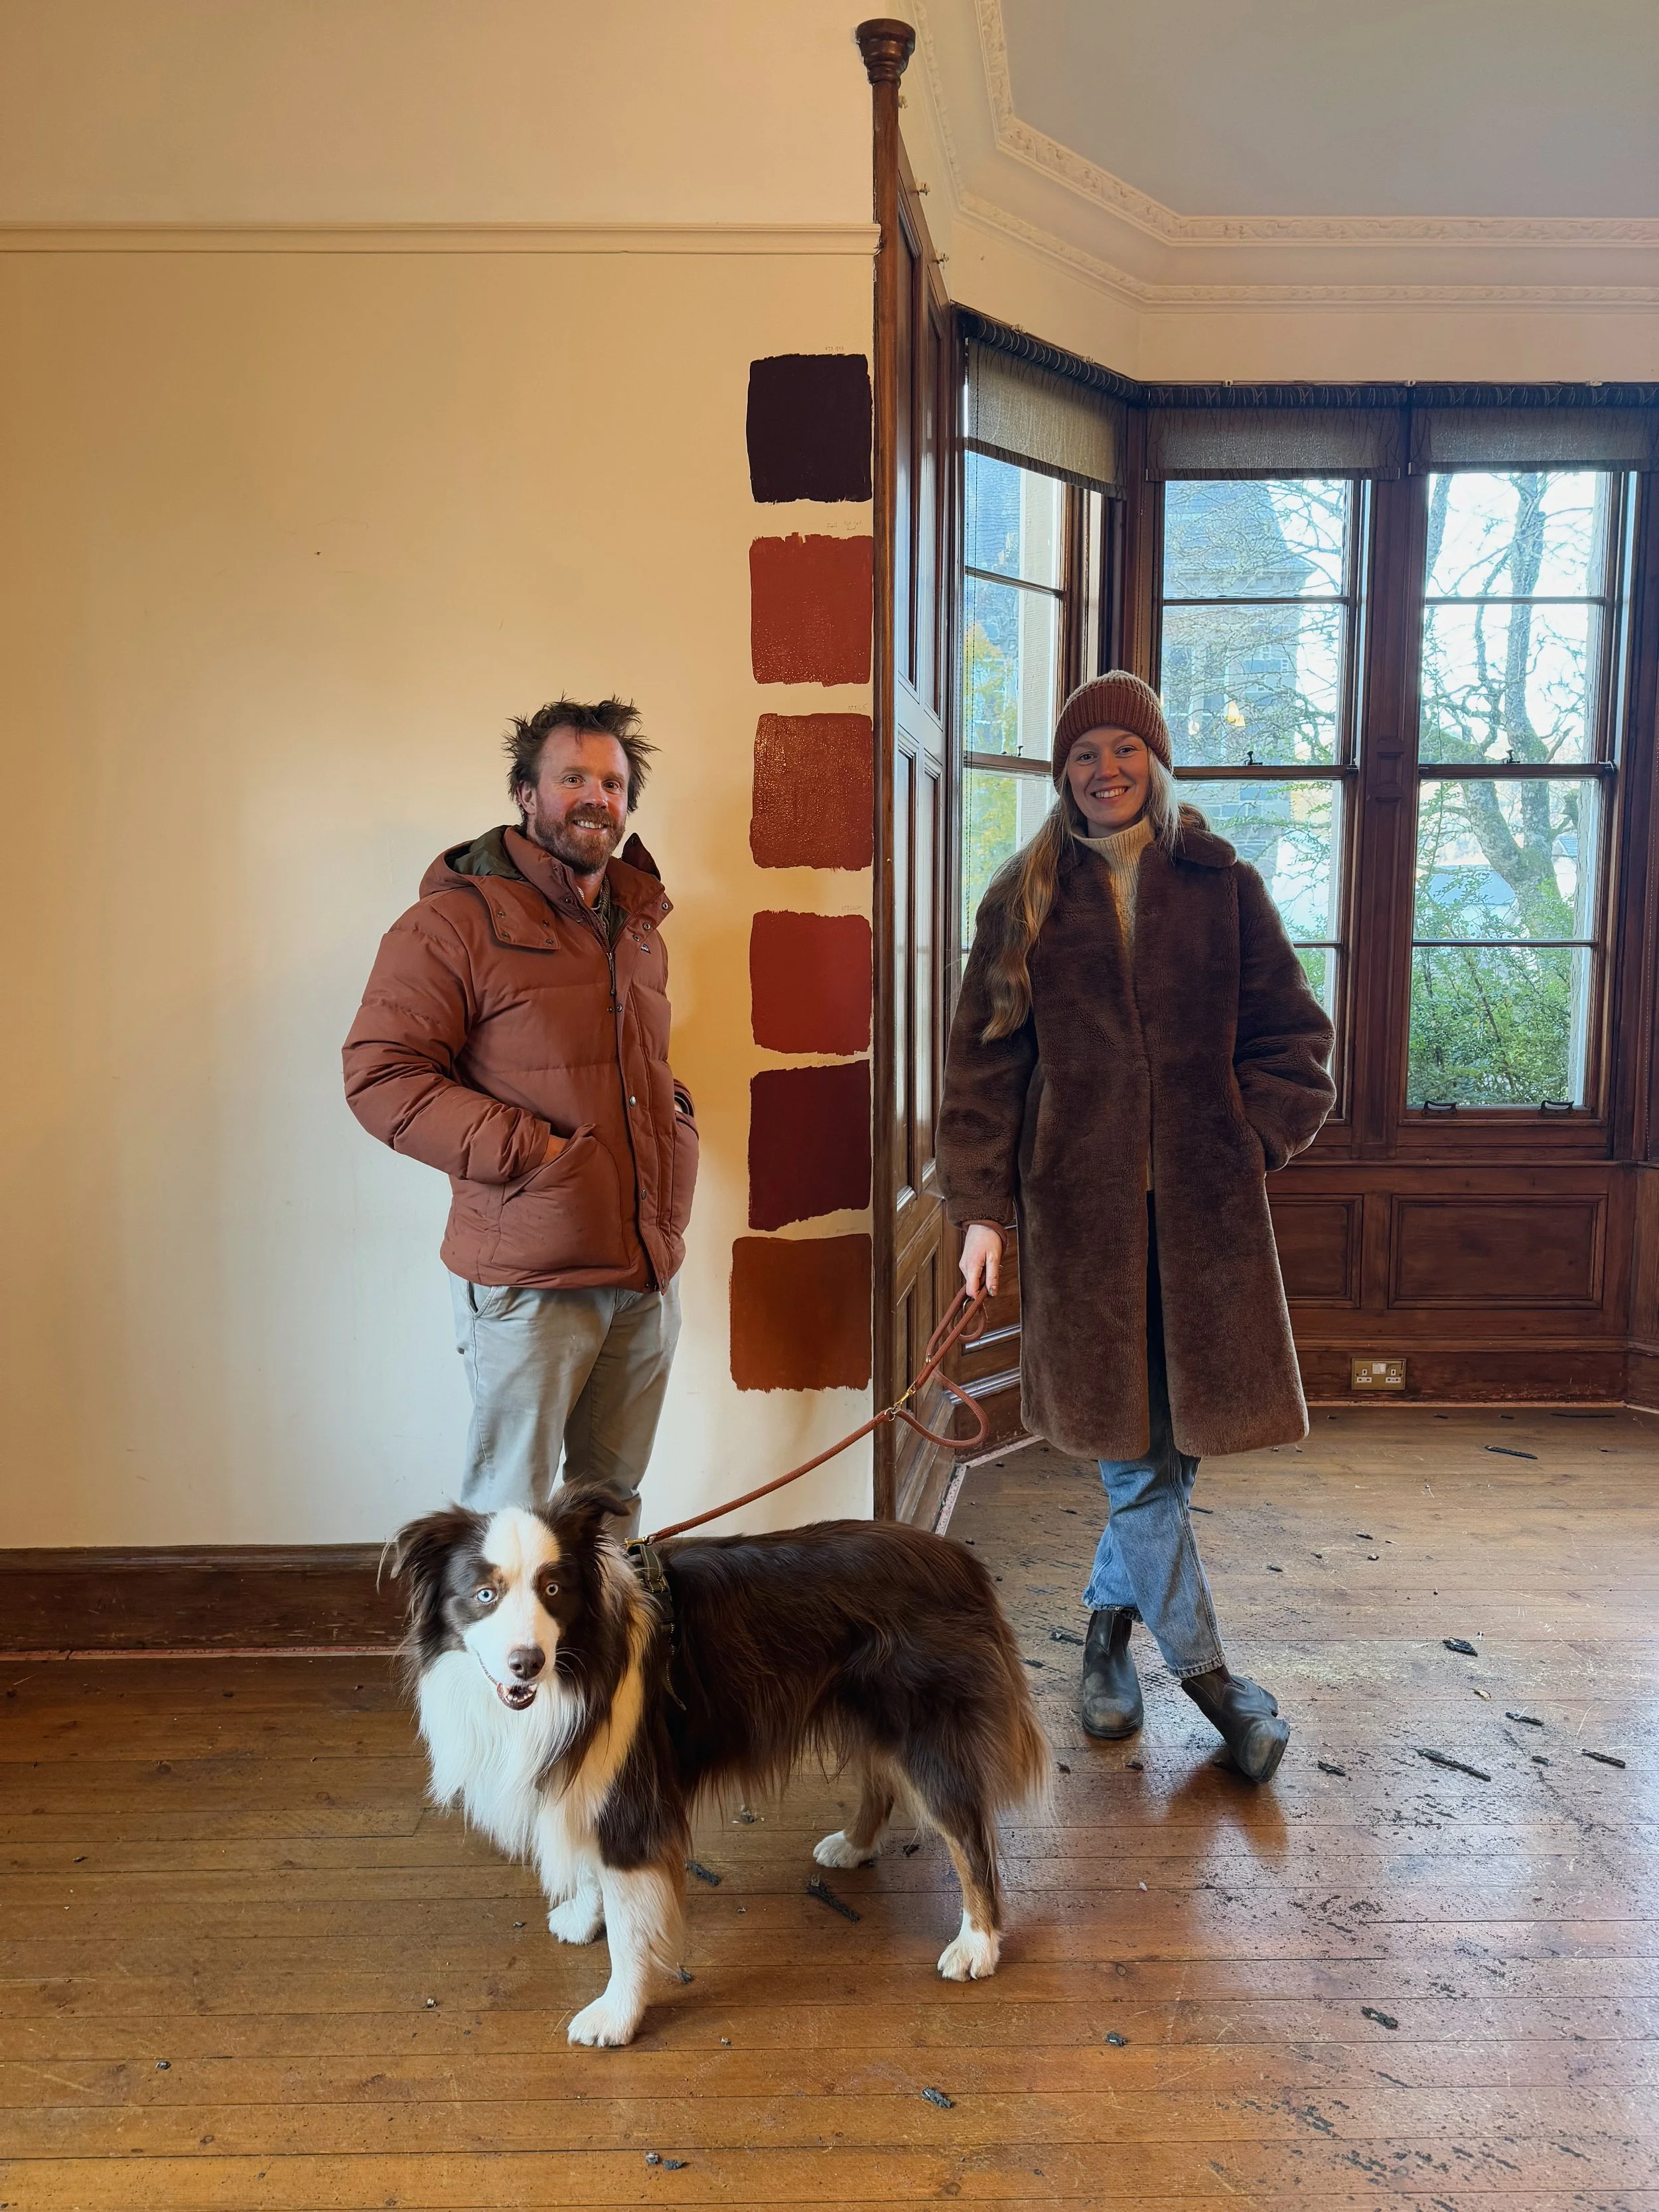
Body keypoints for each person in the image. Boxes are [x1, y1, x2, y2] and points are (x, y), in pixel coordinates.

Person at [936, 672, 1334, 1783]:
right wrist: (980, 1208)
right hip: (1080, 1227)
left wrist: (1249, 1137)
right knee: (1132, 1458)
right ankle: (1219, 1685)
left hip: (1209, 1225)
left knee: (1176, 1440)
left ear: (1155, 763)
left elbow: (1295, 1038)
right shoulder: (1022, 896)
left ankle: (1106, 1634)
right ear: (1062, 774)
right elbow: (981, 1071)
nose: (1104, 770)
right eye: (1082, 755)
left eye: (1124, 750)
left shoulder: (1224, 886)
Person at [343, 698, 696, 1539]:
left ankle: (599, 1668)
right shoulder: (451, 923)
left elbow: (631, 1066)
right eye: (572, 776)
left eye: (612, 783)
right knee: (509, 1515)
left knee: (609, 1507)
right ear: (525, 793)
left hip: (644, 1269)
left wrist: (672, 1120)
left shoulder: (640, 927)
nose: (594, 797)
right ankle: (495, 1677)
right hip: (530, 1281)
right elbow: (380, 1077)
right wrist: (533, 1154)